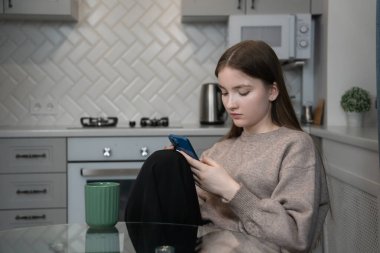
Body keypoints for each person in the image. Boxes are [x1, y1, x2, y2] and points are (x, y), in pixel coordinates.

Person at [126, 40, 329, 253]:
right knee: (164, 163)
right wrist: (177, 177)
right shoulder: (219, 150)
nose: (231, 104)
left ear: (272, 91)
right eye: (224, 92)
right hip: (203, 247)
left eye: (242, 92)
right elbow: (192, 218)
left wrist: (229, 189)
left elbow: (297, 236)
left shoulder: (295, 146)